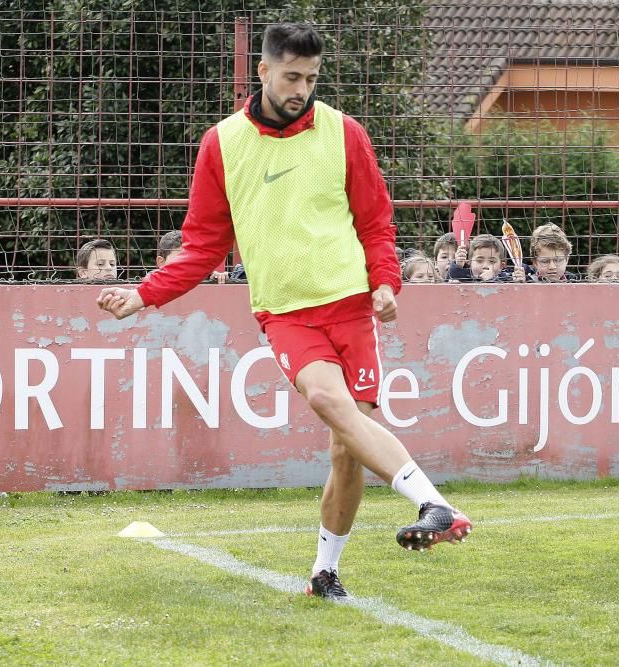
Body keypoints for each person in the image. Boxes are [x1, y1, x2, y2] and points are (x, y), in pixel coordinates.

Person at [96, 23, 472, 601]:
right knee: (327, 400)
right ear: (264, 72)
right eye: (292, 76)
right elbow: (201, 245)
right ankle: (435, 502)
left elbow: (376, 223)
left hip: (349, 305)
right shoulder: (221, 144)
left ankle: (325, 573)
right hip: (286, 312)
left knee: (347, 449)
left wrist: (387, 284)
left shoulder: (344, 132)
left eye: (312, 78)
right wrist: (142, 295)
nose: (302, 88)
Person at [446, 233, 523, 282]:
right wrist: (458, 265)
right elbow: (452, 276)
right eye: (479, 260)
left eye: (492, 261)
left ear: (501, 266)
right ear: (469, 262)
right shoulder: (465, 278)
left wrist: (519, 282)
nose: (485, 266)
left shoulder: (506, 279)